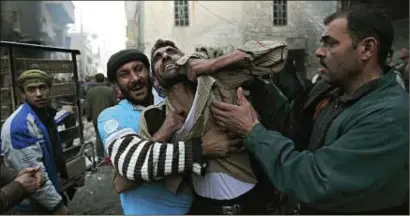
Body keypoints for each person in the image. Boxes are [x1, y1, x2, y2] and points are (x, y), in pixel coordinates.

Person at [210, 5, 409, 214]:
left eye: (331, 44)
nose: (318, 51)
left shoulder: (388, 116)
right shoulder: (329, 90)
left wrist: (252, 131)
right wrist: (256, 84)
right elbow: (290, 122)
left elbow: (315, 181)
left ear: (367, 49)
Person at [98, 49, 216, 214]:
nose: (135, 78)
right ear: (116, 85)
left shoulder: (172, 104)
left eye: (139, 69)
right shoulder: (111, 117)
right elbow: (124, 182)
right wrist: (165, 134)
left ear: (150, 73)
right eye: (124, 74)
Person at [1, 69, 71, 214]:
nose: (39, 94)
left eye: (42, 87)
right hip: (33, 204)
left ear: (49, 89)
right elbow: (35, 175)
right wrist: (58, 207)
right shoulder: (20, 126)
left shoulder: (44, 115)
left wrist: (62, 176)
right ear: (23, 94)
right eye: (31, 89)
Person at [86, 73, 117, 161]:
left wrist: (89, 116)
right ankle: (110, 155)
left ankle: (100, 156)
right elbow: (115, 104)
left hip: (96, 118)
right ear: (104, 79)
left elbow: (88, 105)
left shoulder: (90, 91)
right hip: (108, 117)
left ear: (95, 80)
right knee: (110, 135)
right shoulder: (110, 91)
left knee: (99, 136)